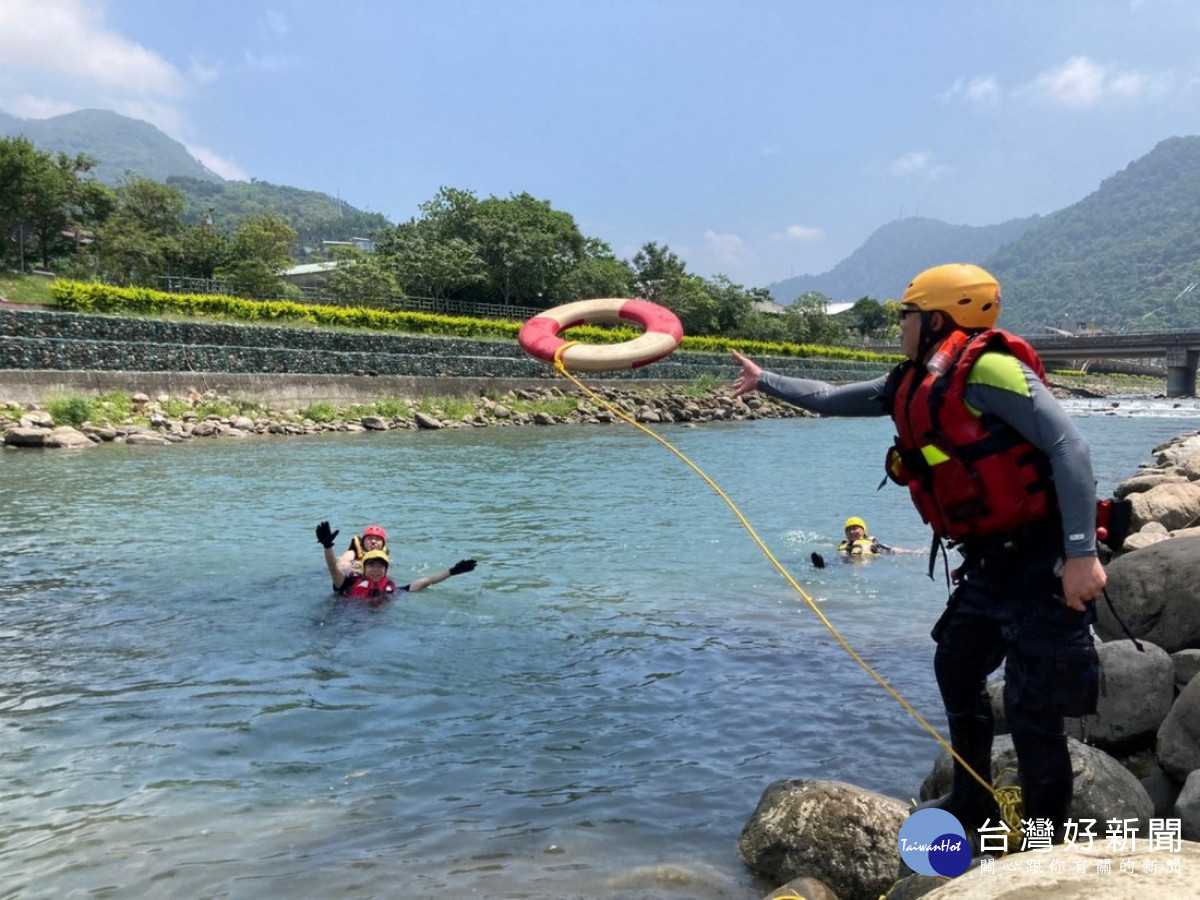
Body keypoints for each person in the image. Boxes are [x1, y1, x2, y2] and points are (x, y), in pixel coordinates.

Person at [732, 263, 1105, 846]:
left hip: (1045, 560)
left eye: (904, 315)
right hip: (989, 562)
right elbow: (829, 398)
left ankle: (1045, 838)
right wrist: (766, 380)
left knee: (1035, 709)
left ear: (935, 318)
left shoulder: (992, 370)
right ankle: (973, 799)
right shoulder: (911, 382)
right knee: (956, 664)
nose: (899, 325)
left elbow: (1070, 447)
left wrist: (1082, 553)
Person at [316, 520, 478, 602]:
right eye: (371, 564)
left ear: (387, 569)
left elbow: (425, 581)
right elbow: (333, 568)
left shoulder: (390, 589)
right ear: (364, 568)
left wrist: (452, 572)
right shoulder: (348, 583)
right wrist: (328, 546)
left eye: (381, 565)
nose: (376, 569)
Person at [838, 515, 919, 556]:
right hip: (845, 563)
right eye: (848, 530)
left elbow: (891, 550)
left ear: (864, 530)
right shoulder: (844, 545)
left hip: (865, 565)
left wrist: (913, 552)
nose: (851, 532)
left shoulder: (872, 544)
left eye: (855, 528)